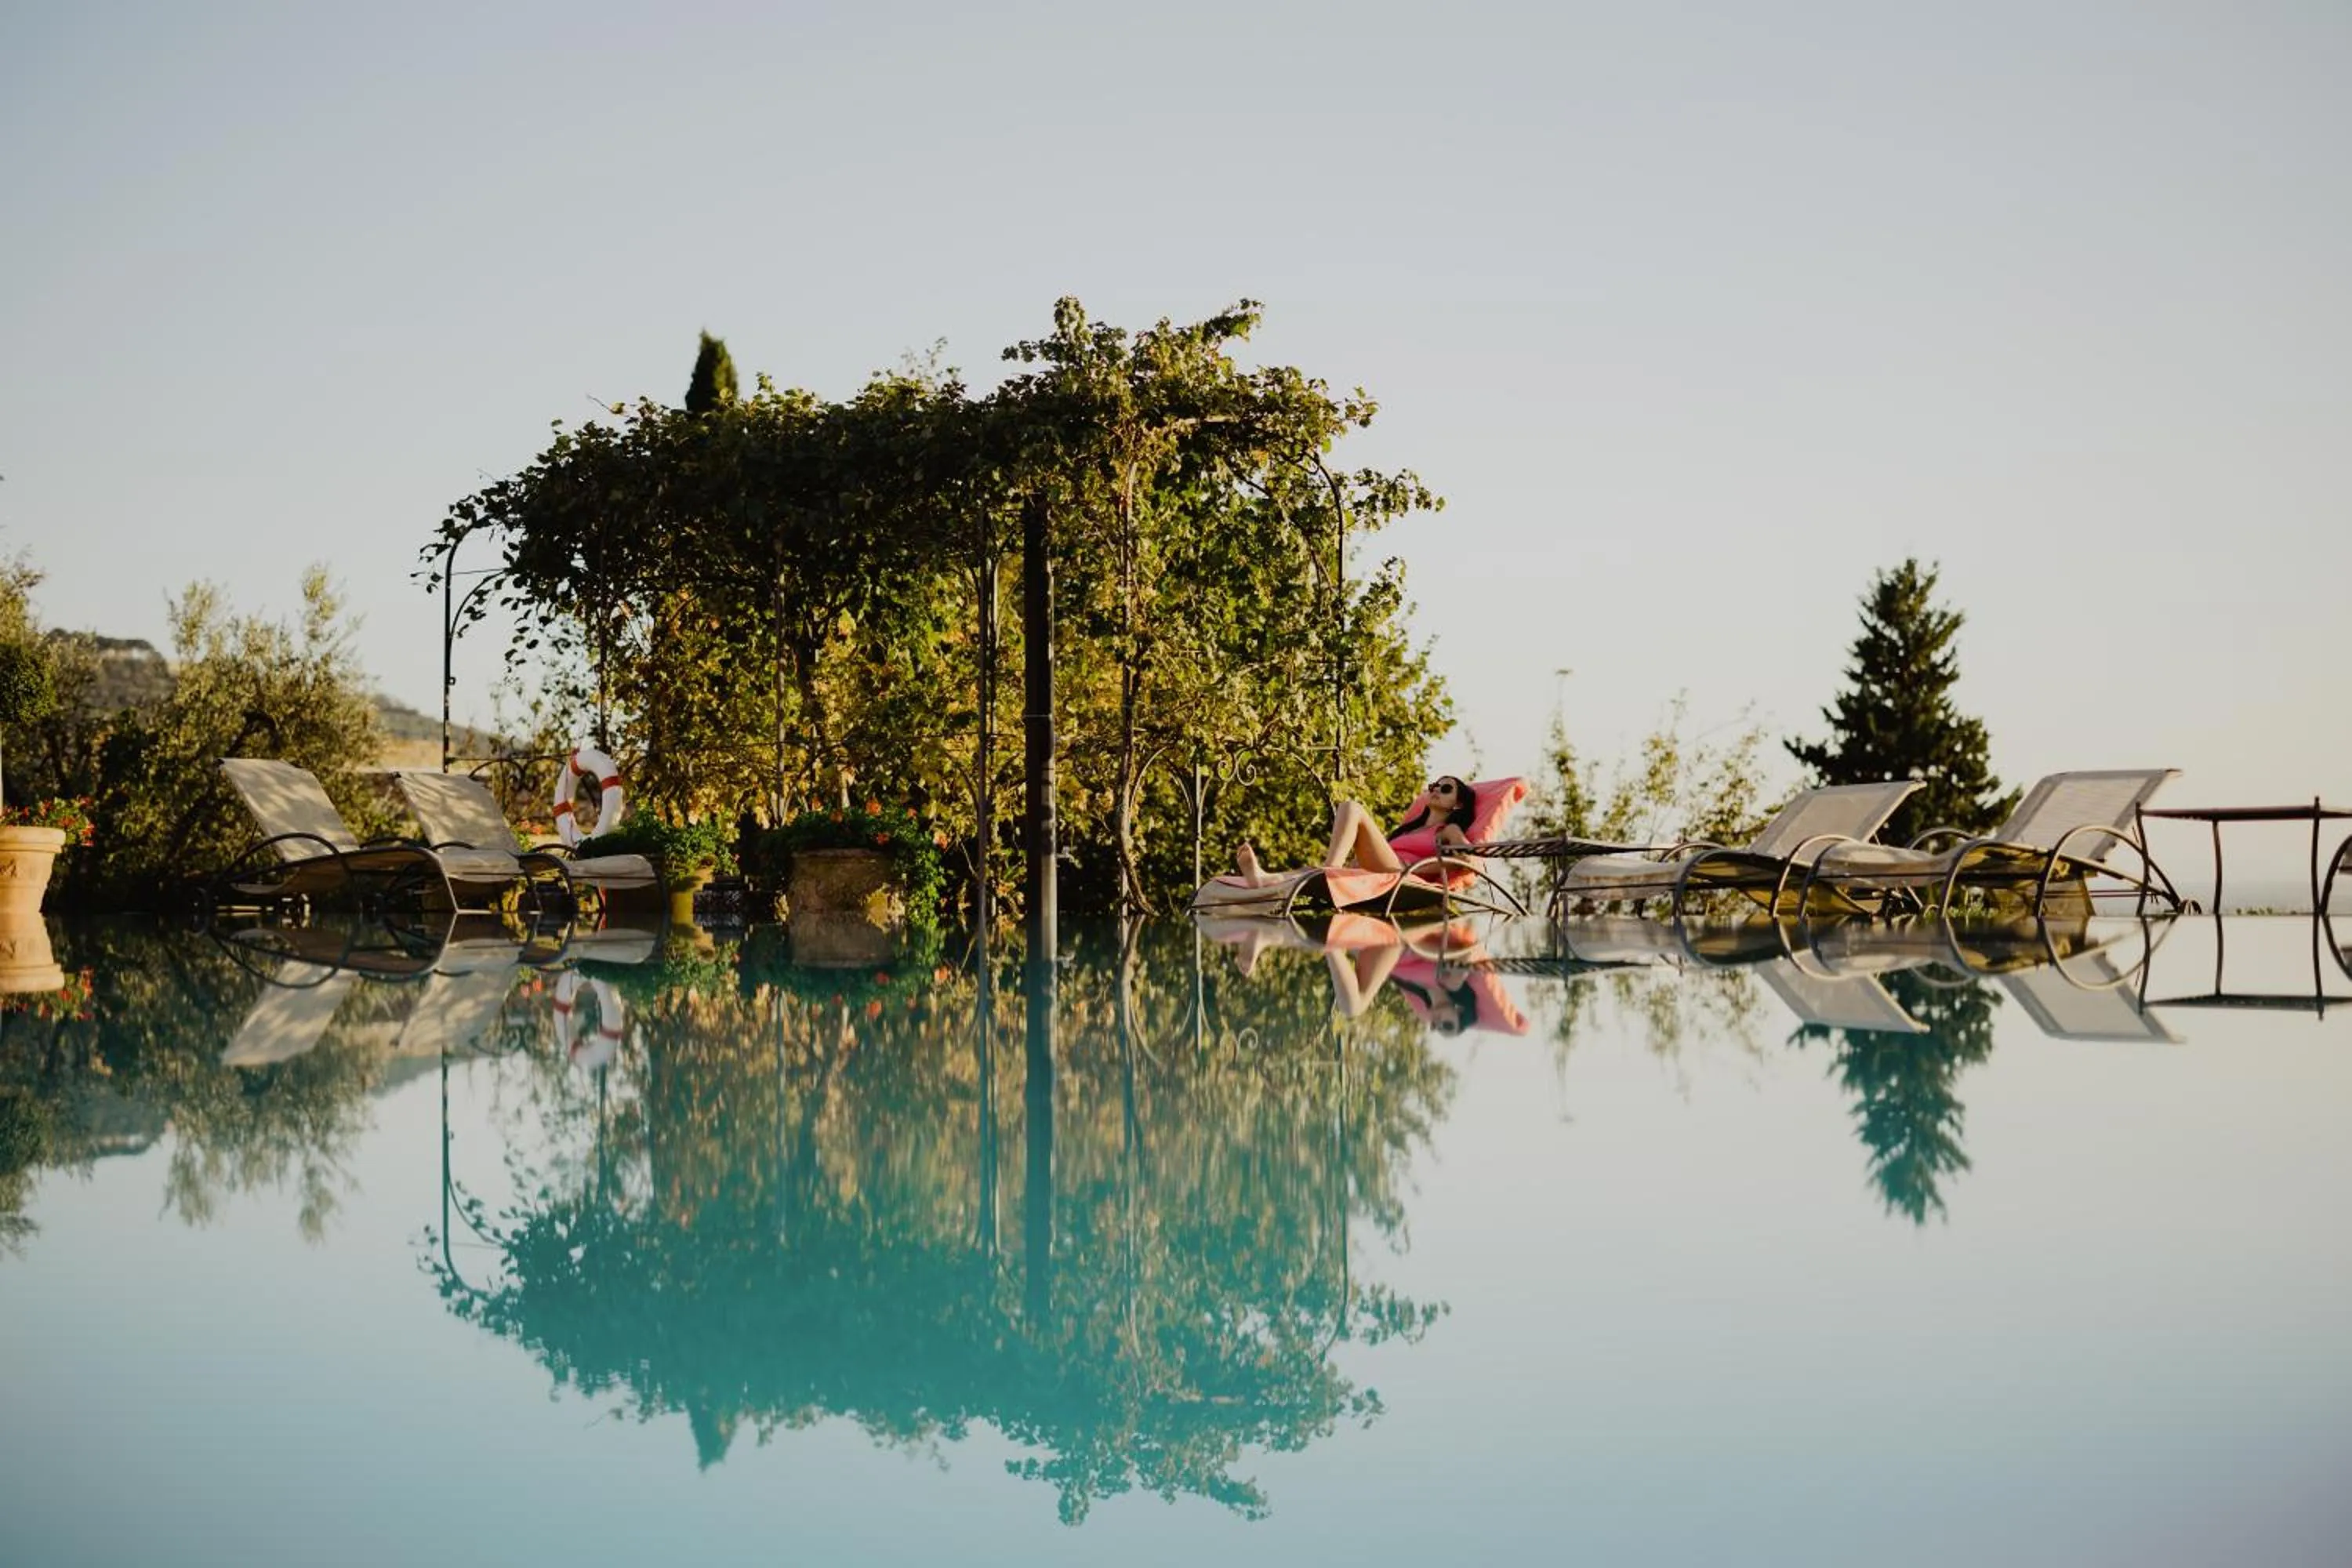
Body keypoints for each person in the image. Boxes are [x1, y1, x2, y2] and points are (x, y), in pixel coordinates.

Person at [1232, 775, 1479, 888]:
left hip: (1399, 869)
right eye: (1434, 785)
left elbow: (1465, 859)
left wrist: (1419, 869)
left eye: (1445, 788)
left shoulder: (1448, 829)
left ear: (1458, 804)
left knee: (1352, 808)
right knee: (1312, 871)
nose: (1436, 789)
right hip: (1382, 864)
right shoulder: (1412, 828)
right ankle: (1265, 878)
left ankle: (1330, 869)